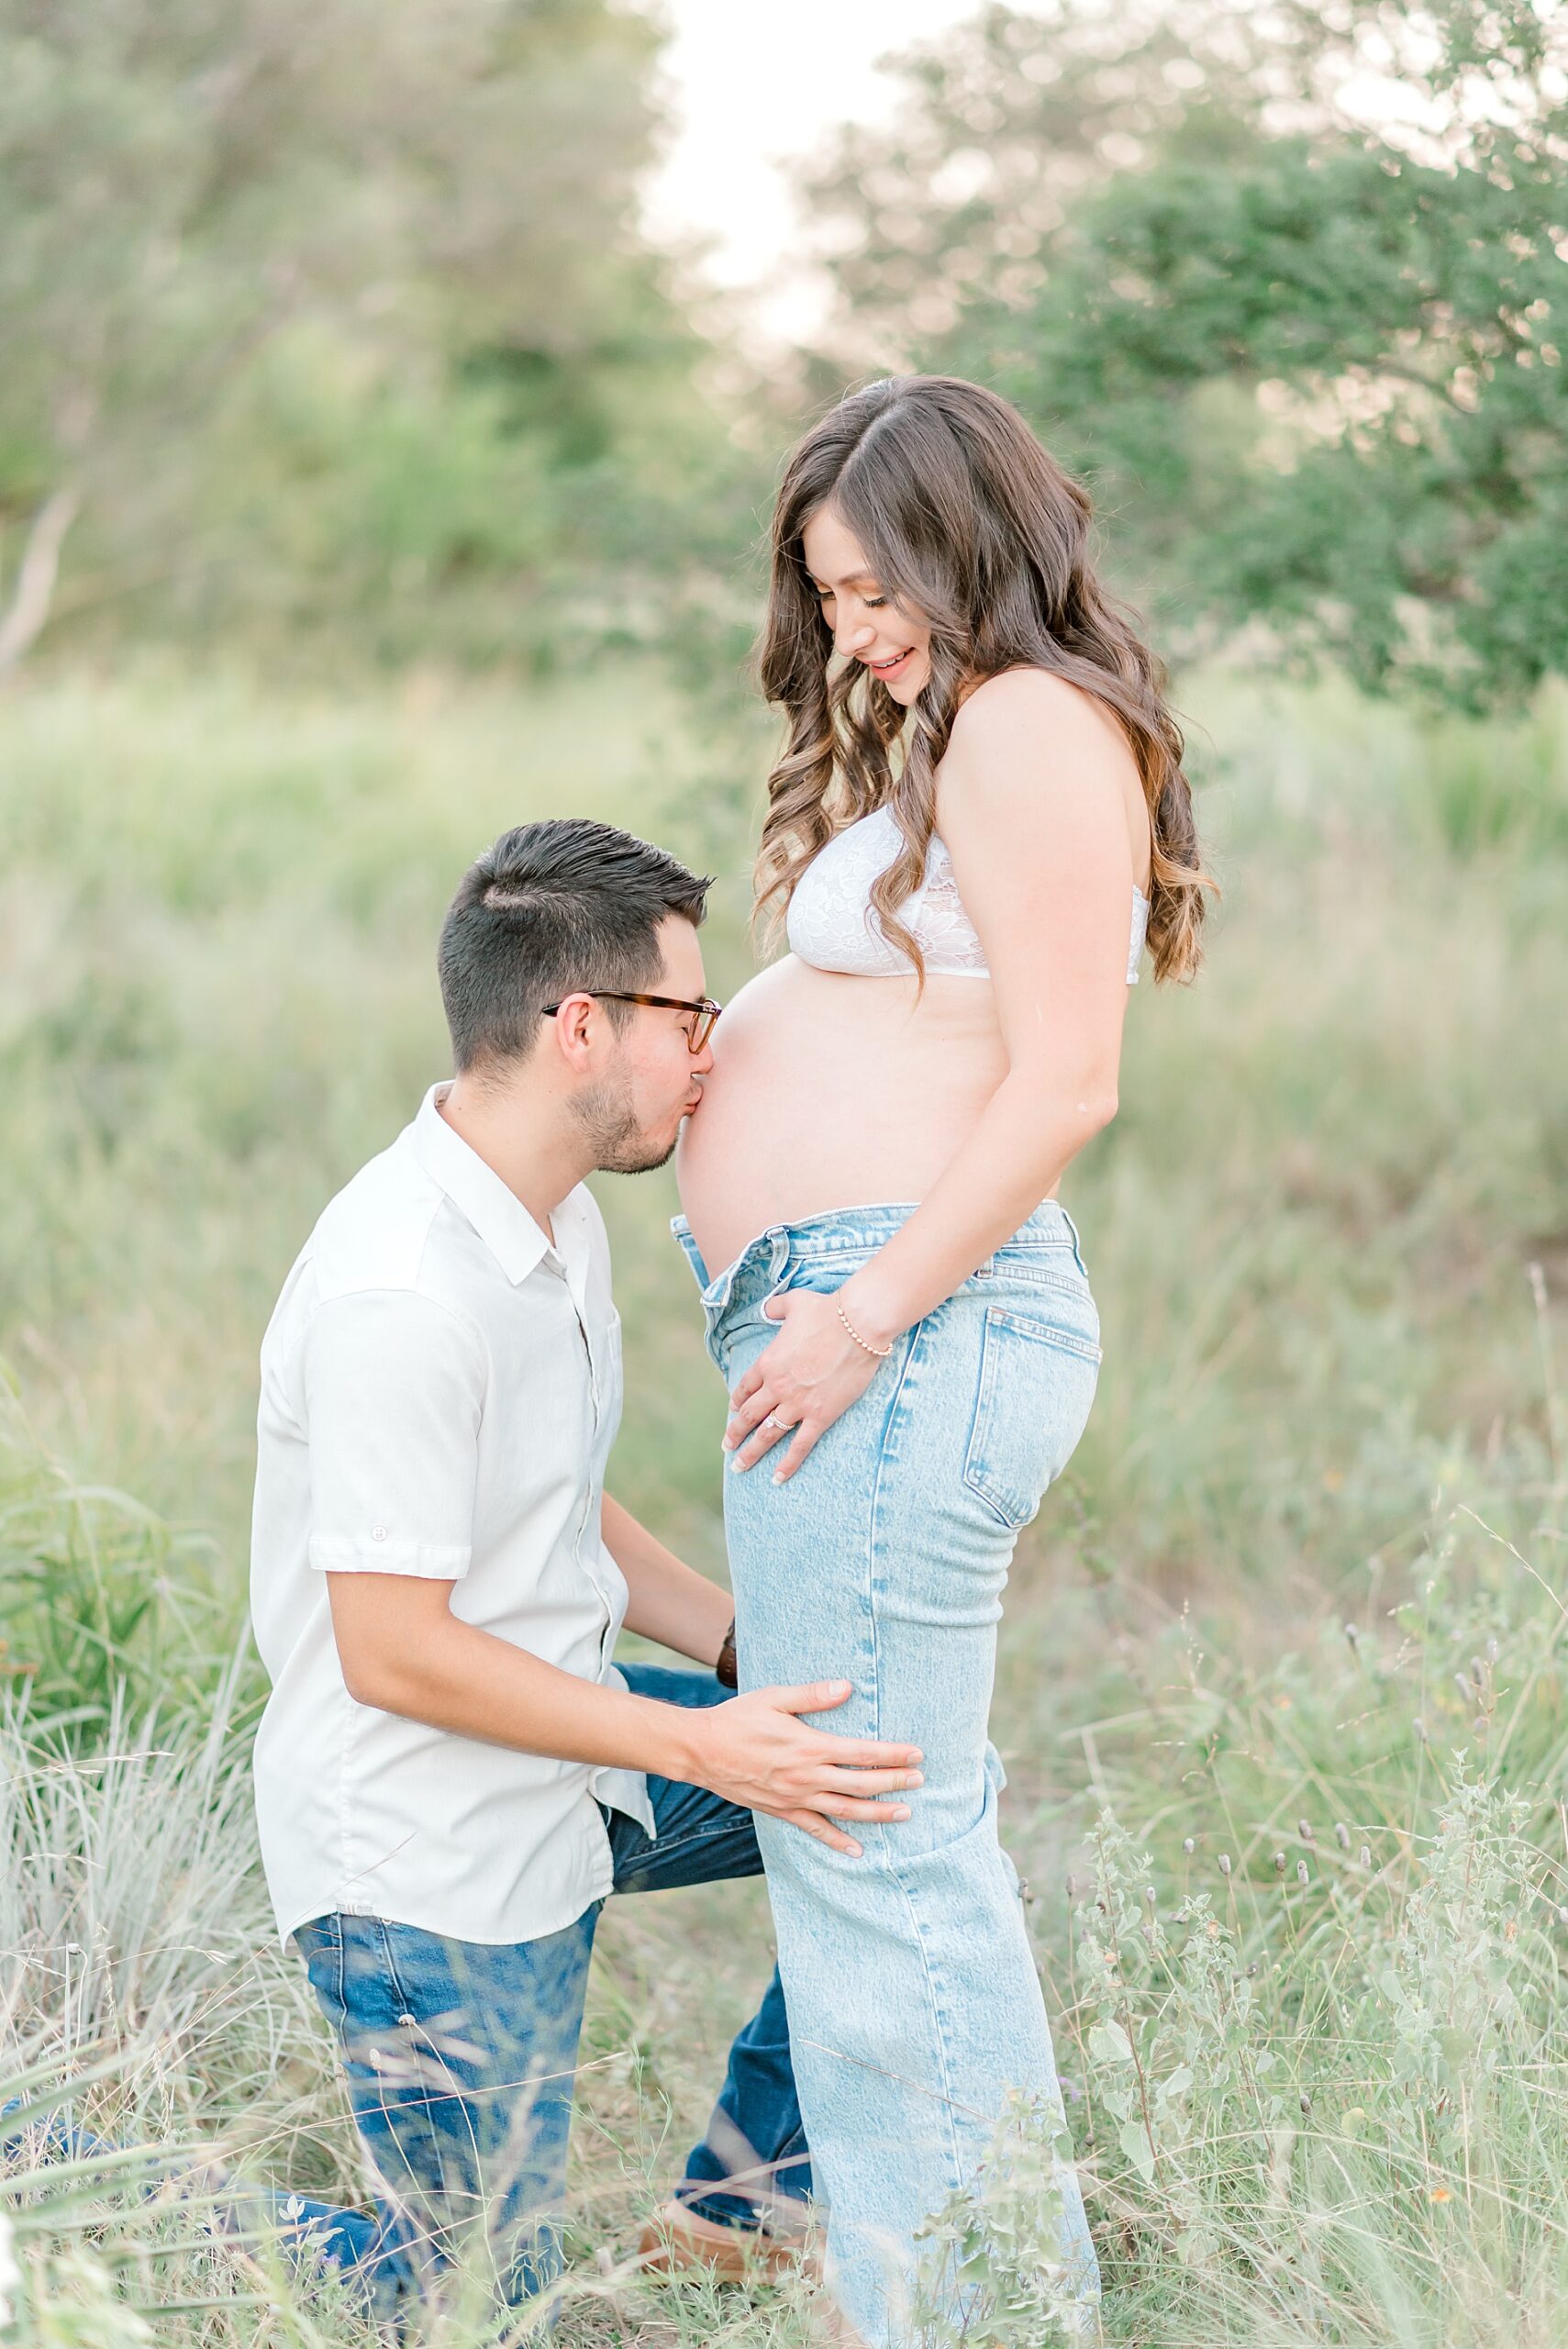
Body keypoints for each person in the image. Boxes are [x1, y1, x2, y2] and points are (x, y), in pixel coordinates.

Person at [673, 374, 1209, 2346]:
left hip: (899, 1325)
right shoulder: (980, 734)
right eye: (826, 598)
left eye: (878, 585)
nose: (855, 632)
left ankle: (980, 2316)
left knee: (877, 1850)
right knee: (884, 1838)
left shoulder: (1029, 725)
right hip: (867, 1318)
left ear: (973, 537)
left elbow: (1072, 1078)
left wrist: (863, 1302)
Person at [246, 817, 926, 2321]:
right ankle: (62, 2178)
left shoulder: (547, 1217)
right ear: (577, 1028)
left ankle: (745, 2209)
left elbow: (558, 1501)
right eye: (691, 1017)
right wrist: (701, 1738)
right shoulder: (399, 1294)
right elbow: (395, 1652)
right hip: (423, 1859)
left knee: (891, 1785)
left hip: (572, 1760)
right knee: (465, 2292)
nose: (712, 1054)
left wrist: (742, 1649)